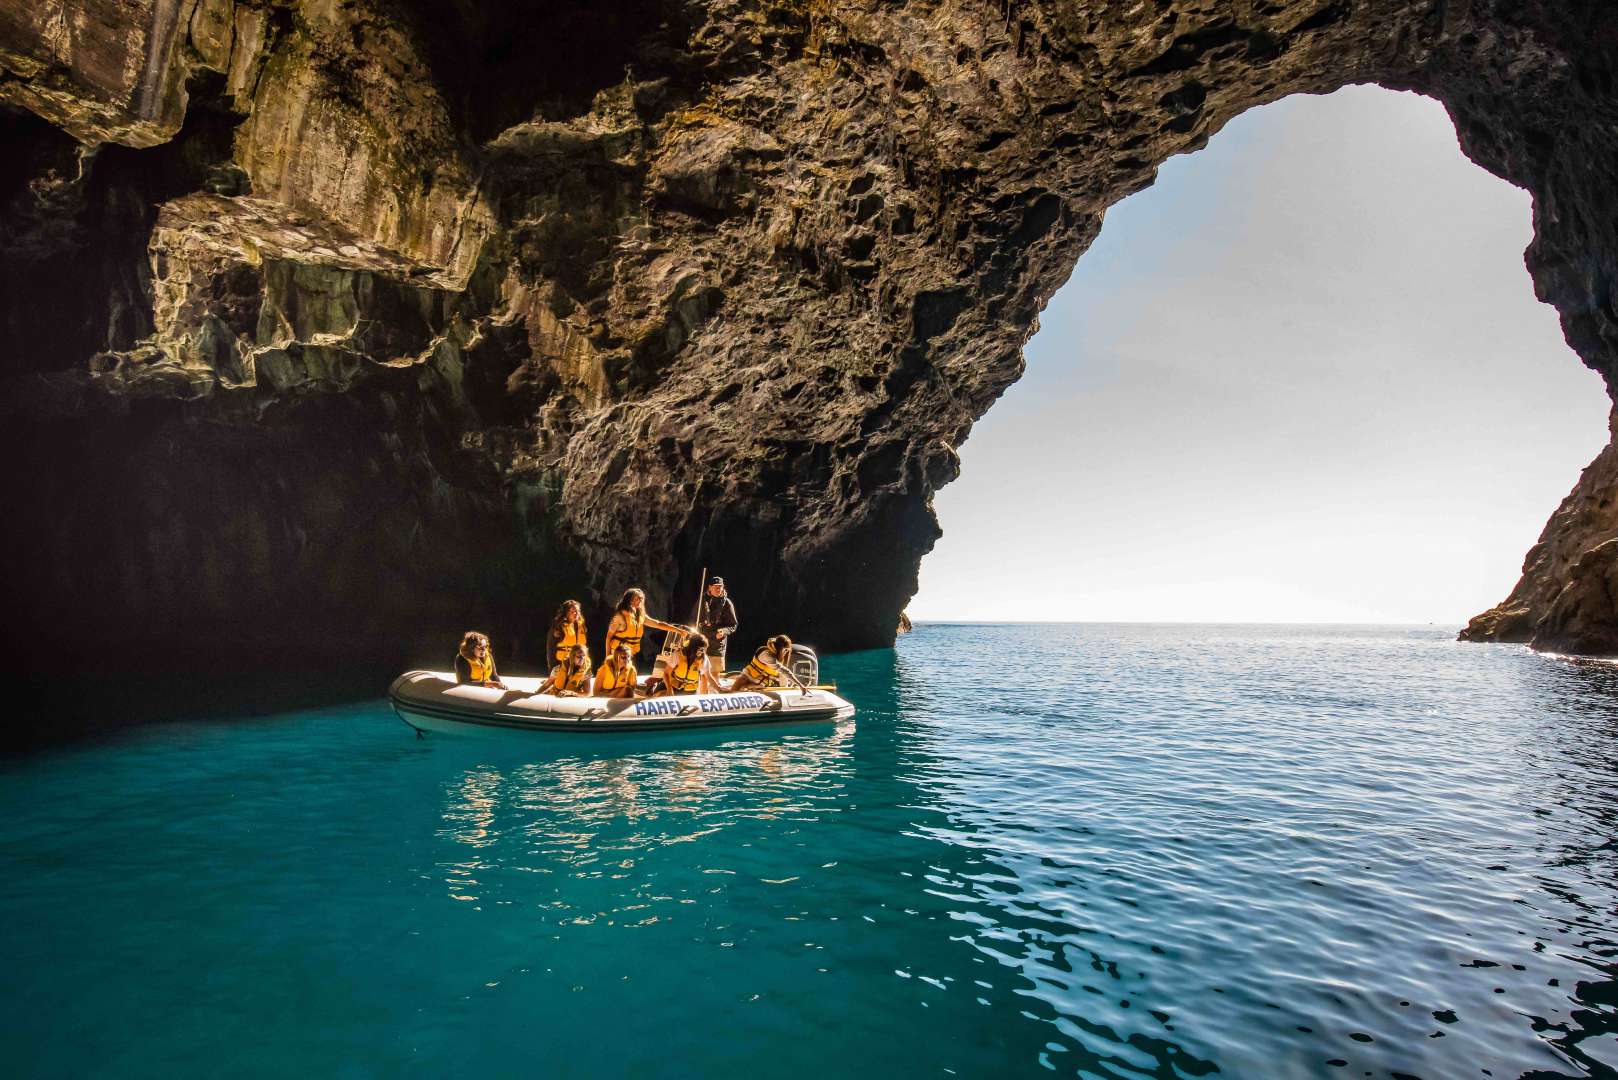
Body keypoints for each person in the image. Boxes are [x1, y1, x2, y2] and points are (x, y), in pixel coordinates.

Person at [603, 587, 688, 661]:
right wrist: (607, 657)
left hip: (630, 652)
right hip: (617, 652)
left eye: (641, 598)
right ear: (629, 600)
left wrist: (679, 631)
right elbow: (608, 637)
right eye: (637, 599)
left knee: (628, 676)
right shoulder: (619, 617)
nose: (640, 601)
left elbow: (658, 624)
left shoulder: (640, 615)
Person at [729, 634, 805, 692]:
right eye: (785, 650)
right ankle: (745, 686)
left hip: (761, 683)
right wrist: (800, 684)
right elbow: (784, 670)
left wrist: (787, 687)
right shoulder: (766, 655)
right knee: (733, 691)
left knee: (773, 681)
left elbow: (782, 675)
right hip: (747, 677)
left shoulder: (779, 658)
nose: (786, 652)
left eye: (787, 650)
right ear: (779, 648)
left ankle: (748, 687)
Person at [653, 632, 720, 696]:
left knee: (704, 676)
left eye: (703, 649)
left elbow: (709, 677)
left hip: (690, 691)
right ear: (692, 647)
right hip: (673, 687)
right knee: (660, 694)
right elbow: (666, 673)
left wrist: (719, 690)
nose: (701, 652)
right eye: (699, 649)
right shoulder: (678, 654)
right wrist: (669, 689)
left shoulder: (703, 659)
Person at [697, 576, 738, 674]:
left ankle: (714, 689)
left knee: (715, 673)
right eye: (716, 586)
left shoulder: (727, 603)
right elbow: (694, 619)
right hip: (703, 642)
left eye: (720, 586)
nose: (718, 589)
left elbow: (733, 624)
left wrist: (724, 631)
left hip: (717, 643)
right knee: (701, 673)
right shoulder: (702, 601)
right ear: (710, 587)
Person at [548, 599, 588, 667]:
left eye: (578, 611)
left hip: (579, 662)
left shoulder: (582, 626)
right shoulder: (559, 626)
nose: (576, 613)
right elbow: (551, 647)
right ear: (566, 613)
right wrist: (552, 666)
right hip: (562, 662)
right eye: (573, 611)